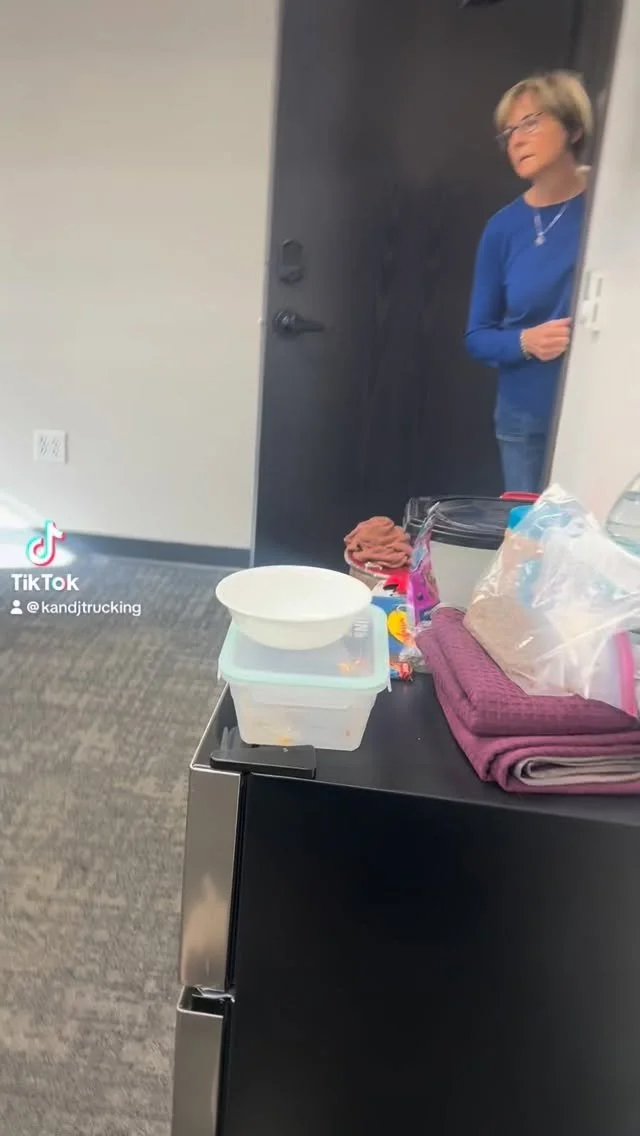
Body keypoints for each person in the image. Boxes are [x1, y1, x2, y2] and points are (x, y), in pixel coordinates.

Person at [465, 71, 593, 494]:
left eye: (530, 123)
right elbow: (477, 336)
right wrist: (526, 341)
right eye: (508, 133)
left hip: (599, 408)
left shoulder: (608, 205)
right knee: (529, 528)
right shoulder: (502, 228)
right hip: (524, 417)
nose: (516, 140)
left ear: (573, 127)